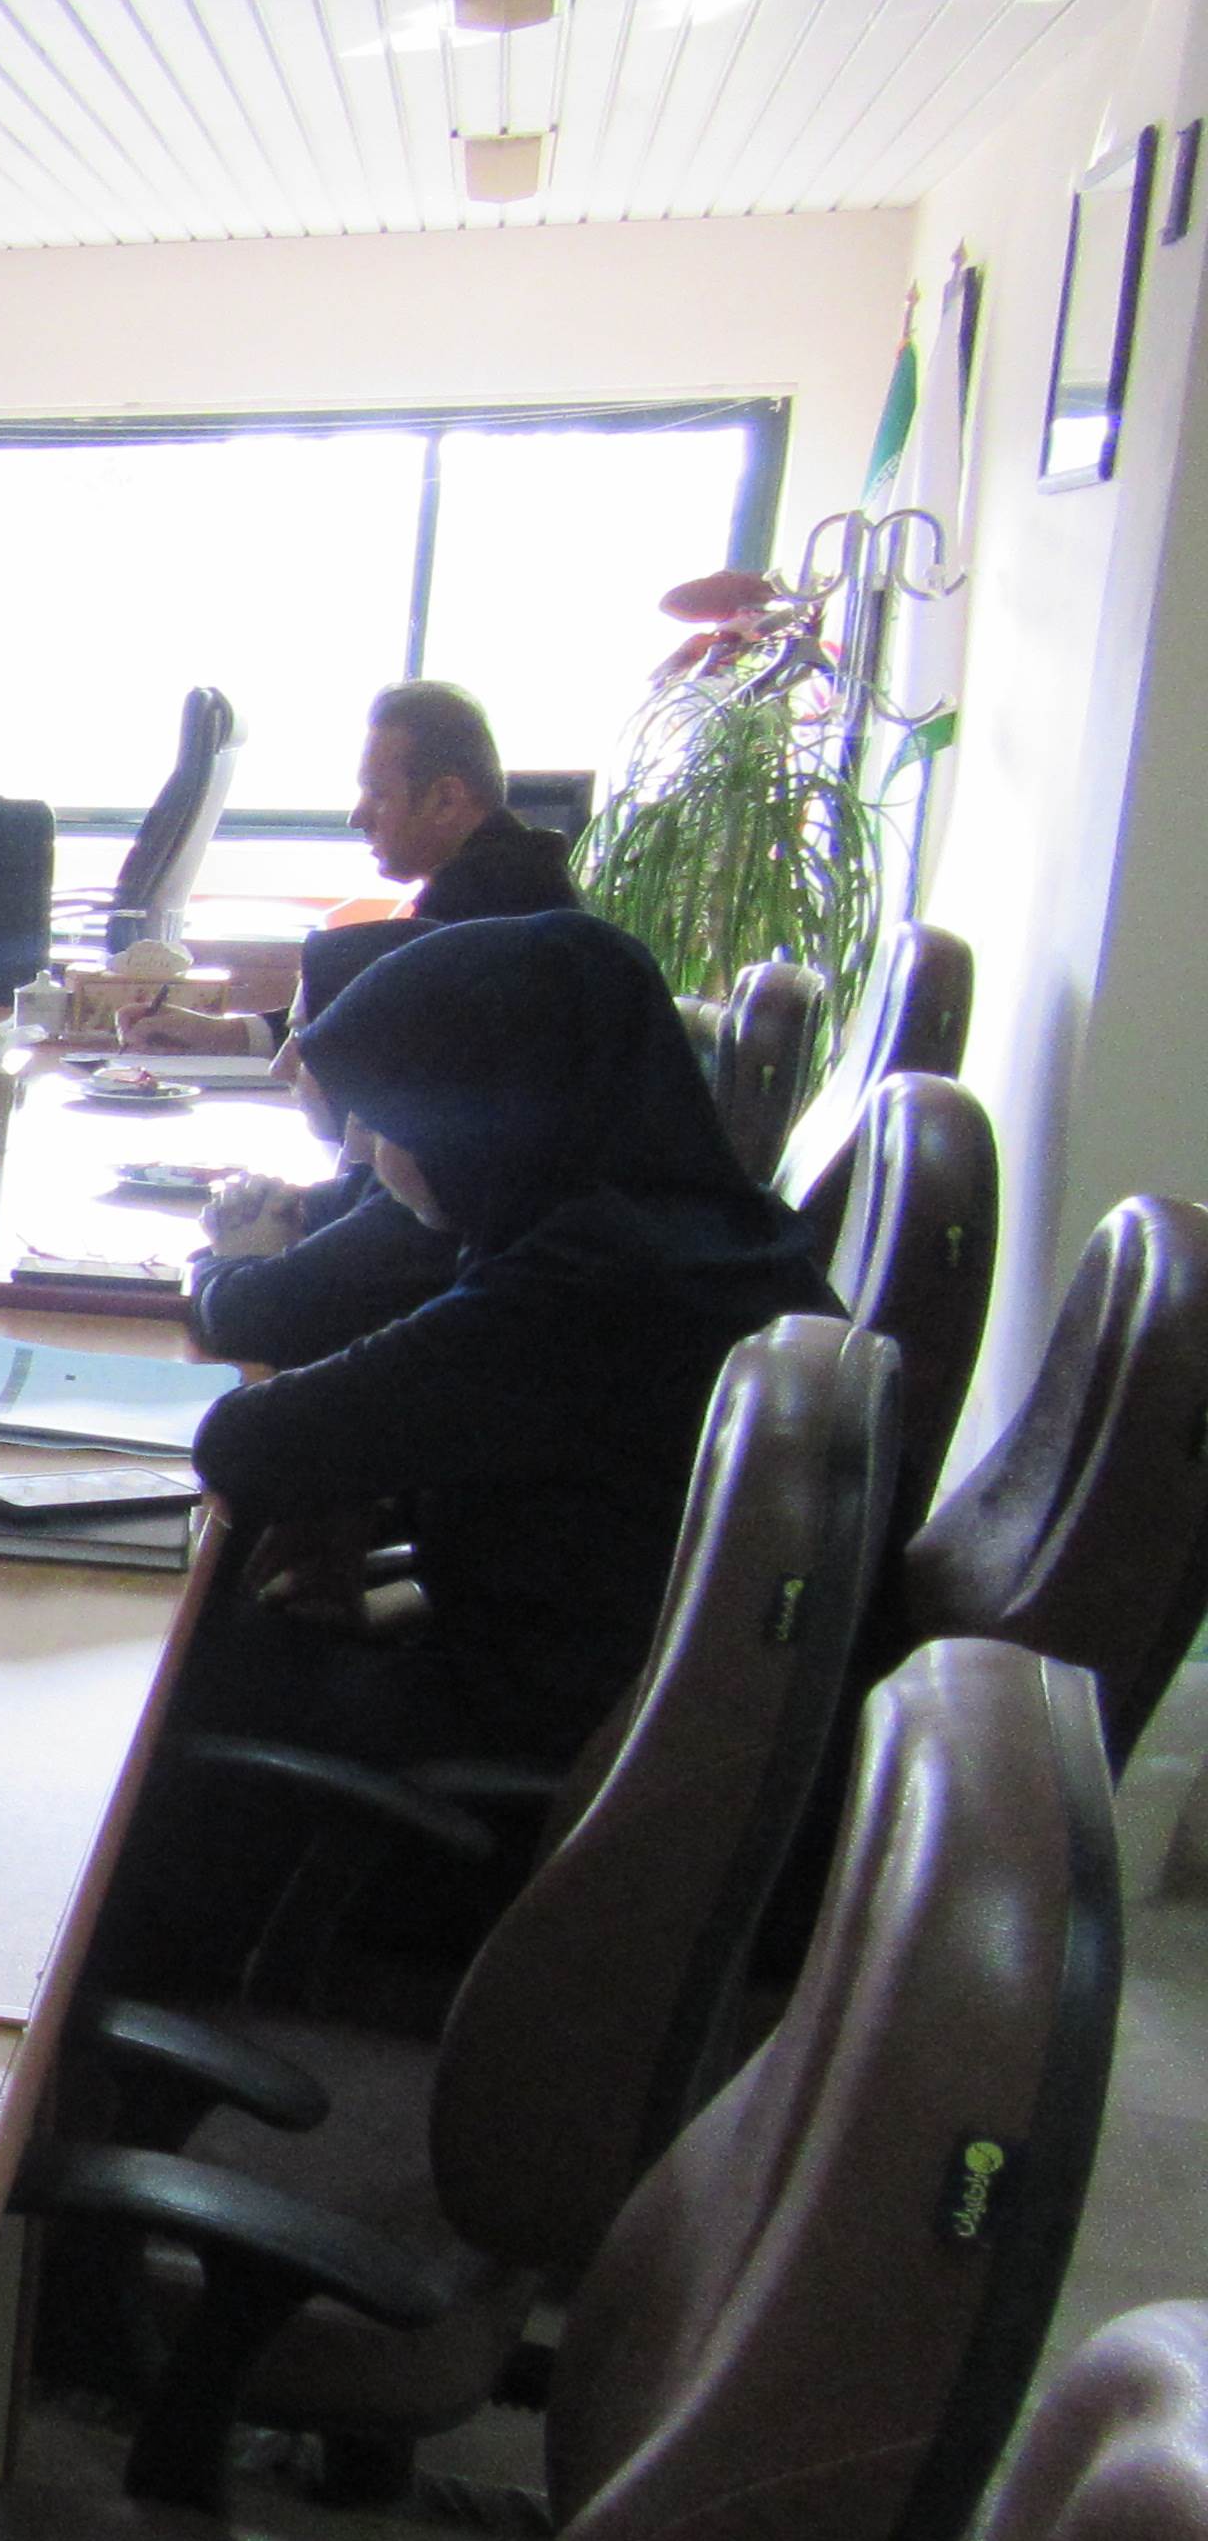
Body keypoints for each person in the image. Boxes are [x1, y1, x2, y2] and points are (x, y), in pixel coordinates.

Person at [170, 909, 836, 1773]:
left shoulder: (578, 1286)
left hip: (546, 1732)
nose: (368, 1153)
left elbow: (243, 1445)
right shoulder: (699, 1224)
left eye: (388, 1120)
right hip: (614, 1690)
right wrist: (357, 1488)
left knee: (165, 1674)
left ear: (477, 1120)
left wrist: (347, 1476)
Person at [136, 680, 583, 1056]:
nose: (357, 817)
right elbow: (359, 1018)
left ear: (446, 800)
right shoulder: (503, 875)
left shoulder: (488, 907)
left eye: (378, 794)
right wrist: (219, 1034)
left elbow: (369, 1039)